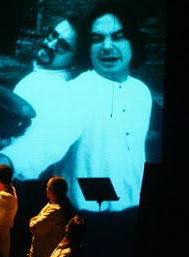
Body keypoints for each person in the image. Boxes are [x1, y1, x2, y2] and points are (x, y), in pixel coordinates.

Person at [53, 0, 152, 213]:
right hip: (84, 217)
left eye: (117, 37)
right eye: (97, 39)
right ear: (87, 48)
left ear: (133, 42)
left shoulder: (141, 92)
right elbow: (46, 141)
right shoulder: (76, 90)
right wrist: (10, 160)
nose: (107, 47)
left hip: (133, 213)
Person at [0, 15, 79, 180]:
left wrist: (7, 160)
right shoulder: (42, 74)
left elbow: (46, 143)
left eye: (62, 46)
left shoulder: (62, 91)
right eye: (53, 35)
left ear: (74, 59)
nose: (50, 44)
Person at [28, 176, 73, 257]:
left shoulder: (56, 210)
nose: (46, 189)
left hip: (45, 256)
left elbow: (34, 226)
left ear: (52, 190)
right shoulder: (51, 204)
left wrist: (32, 220)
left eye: (48, 187)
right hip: (41, 254)